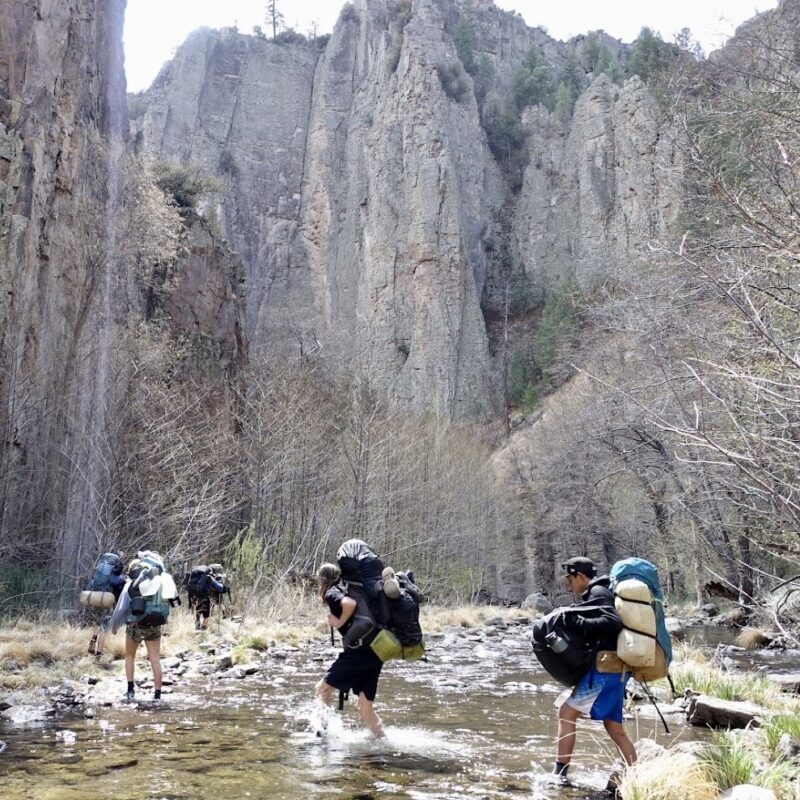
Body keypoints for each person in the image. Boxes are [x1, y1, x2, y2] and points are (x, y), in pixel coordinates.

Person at [553, 556, 637, 794]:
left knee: (567, 713)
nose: (569, 585)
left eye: (570, 579)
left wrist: (576, 620)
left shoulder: (597, 592)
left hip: (606, 669)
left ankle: (559, 776)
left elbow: (611, 622)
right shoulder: (603, 591)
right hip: (616, 669)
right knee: (614, 727)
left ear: (580, 575)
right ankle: (636, 773)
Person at [314, 562, 385, 737]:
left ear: (323, 580)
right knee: (364, 706)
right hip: (375, 652)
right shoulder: (351, 589)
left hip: (358, 653)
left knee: (322, 689)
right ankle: (384, 743)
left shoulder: (333, 592)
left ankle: (323, 735)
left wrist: (338, 622)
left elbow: (349, 604)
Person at [110, 552, 178, 703]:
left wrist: (114, 628)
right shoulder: (161, 581)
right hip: (155, 624)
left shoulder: (132, 583)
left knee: (129, 657)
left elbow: (121, 609)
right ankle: (157, 695)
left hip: (135, 625)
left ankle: (130, 691)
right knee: (155, 659)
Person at [86, 554, 127, 657]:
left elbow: (90, 584)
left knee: (97, 622)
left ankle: (93, 638)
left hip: (96, 599)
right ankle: (98, 654)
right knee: (104, 627)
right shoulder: (114, 573)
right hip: (107, 601)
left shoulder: (99, 570)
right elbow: (119, 583)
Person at [187, 565, 226, 630]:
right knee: (206, 615)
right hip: (203, 596)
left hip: (191, 596)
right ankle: (203, 630)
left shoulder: (193, 575)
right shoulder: (208, 576)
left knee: (197, 611)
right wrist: (223, 587)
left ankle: (197, 626)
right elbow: (219, 588)